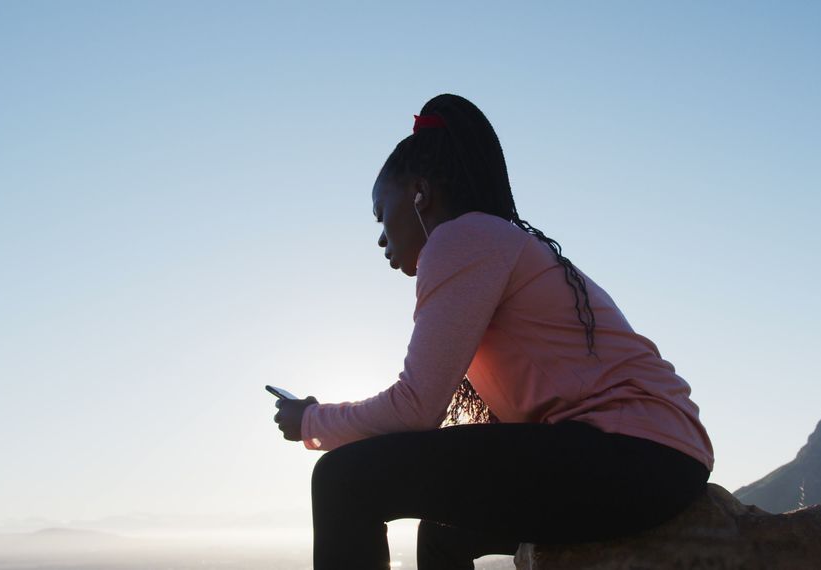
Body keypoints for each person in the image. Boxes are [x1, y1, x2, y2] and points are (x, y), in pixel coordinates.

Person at [273, 93, 714, 570]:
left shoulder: (462, 238)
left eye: (382, 214)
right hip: (657, 459)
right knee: (444, 532)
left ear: (420, 192)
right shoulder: (491, 243)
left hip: (629, 455)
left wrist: (311, 421)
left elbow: (416, 407)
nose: (381, 236)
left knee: (343, 478)